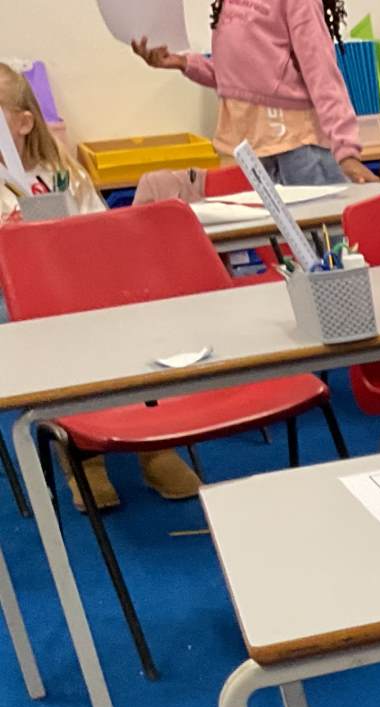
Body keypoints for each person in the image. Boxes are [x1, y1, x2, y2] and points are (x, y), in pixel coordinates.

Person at [0, 63, 200, 510]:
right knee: (53, 341)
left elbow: (102, 229)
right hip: (19, 305)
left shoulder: (61, 172)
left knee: (132, 324)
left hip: (84, 291)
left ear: (23, 123)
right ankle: (81, 456)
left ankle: (154, 443)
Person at [131, 0, 376, 187]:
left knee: (320, 236)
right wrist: (183, 63)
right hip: (245, 152)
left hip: (295, 147)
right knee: (266, 239)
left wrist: (346, 151)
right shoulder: (228, 3)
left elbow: (322, 74)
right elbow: (236, 79)